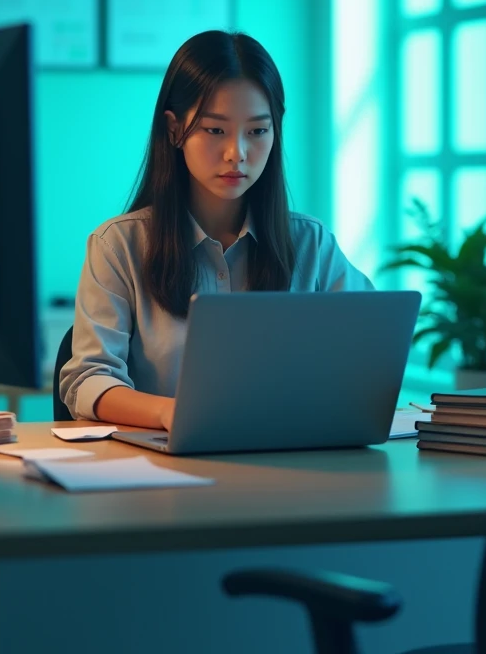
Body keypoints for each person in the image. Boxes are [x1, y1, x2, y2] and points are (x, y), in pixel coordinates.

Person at [59, 30, 373, 429]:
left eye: (258, 131)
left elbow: (371, 350)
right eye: (215, 130)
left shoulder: (311, 244)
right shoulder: (118, 245)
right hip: (163, 470)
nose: (237, 153)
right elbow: (87, 379)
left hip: (290, 460)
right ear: (174, 130)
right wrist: (168, 413)